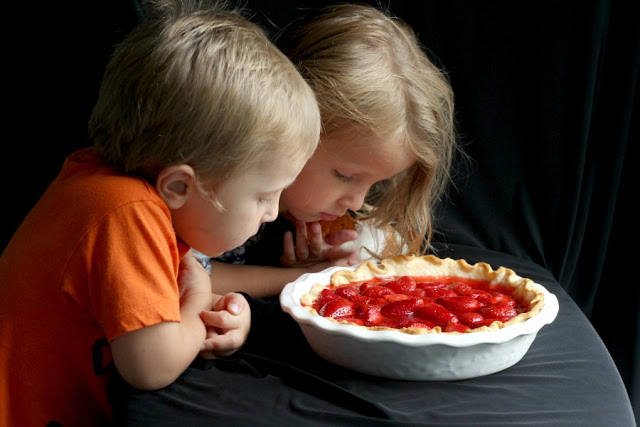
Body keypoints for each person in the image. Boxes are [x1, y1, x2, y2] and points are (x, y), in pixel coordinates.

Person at [0, 0, 321, 425]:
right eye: (264, 195)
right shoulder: (125, 213)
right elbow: (151, 365)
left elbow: (161, 304)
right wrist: (194, 310)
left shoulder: (106, 185)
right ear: (179, 186)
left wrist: (219, 313)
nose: (272, 212)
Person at [208, 3, 460, 298]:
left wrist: (314, 264)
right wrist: (300, 277)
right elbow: (178, 277)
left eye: (377, 183)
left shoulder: (324, 223)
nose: (356, 202)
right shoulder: (213, 187)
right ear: (289, 121)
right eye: (345, 175)